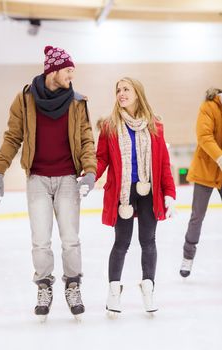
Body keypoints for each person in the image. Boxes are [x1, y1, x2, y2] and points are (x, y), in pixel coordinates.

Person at [0, 45, 96, 322]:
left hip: (67, 179)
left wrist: (90, 170)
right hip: (37, 177)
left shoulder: (77, 101)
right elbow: (13, 136)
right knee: (40, 242)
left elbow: (86, 139)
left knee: (71, 240)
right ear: (54, 70)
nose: (72, 77)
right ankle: (44, 287)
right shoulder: (25, 99)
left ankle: (73, 286)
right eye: (69, 71)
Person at [96, 77, 176, 315]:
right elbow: (101, 159)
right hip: (122, 194)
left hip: (148, 191)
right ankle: (113, 292)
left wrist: (170, 194)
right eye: (118, 90)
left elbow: (163, 163)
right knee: (121, 242)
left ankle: (149, 288)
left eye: (126, 89)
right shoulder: (110, 126)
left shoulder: (155, 125)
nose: (121, 93)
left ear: (137, 93)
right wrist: (89, 175)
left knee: (148, 241)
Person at [180, 88, 222, 278]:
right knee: (197, 216)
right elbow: (204, 136)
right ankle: (188, 257)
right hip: (206, 169)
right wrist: (220, 158)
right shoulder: (208, 107)